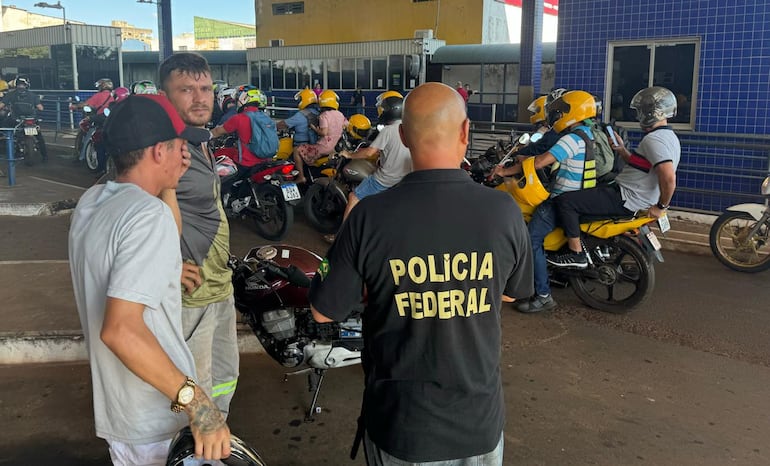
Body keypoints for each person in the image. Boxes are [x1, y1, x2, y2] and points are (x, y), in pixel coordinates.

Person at [309, 82, 534, 465]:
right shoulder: (503, 211)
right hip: (478, 424)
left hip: (402, 426)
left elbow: (323, 311)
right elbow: (513, 294)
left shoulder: (369, 216)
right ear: (465, 132)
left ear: (402, 135)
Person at [68, 93, 231, 465]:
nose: (185, 154)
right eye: (179, 147)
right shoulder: (146, 216)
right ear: (159, 151)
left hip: (123, 415)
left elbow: (144, 247)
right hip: (157, 419)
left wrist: (168, 184)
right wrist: (200, 405)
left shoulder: (93, 203)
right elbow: (121, 330)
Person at [159, 52, 240, 418]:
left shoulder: (199, 140)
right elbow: (123, 212)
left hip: (218, 284)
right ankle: (195, 449)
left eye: (205, 88)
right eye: (186, 89)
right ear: (165, 95)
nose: (200, 97)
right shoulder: (160, 147)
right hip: (191, 294)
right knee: (194, 388)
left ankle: (217, 432)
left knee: (224, 376)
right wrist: (165, 267)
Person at [550, 86, 681, 268]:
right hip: (632, 194)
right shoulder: (668, 137)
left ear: (653, 113)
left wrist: (661, 207)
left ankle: (576, 254)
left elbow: (668, 178)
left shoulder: (654, 140)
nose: (638, 116)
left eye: (641, 111)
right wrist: (621, 150)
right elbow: (642, 166)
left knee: (566, 202)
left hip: (626, 197)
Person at [493, 90, 599, 312]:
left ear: (574, 111)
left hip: (563, 198)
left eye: (563, 110)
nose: (559, 115)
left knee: (531, 240)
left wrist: (505, 171)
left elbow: (540, 162)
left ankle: (543, 295)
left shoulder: (572, 138)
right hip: (582, 196)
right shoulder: (588, 134)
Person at [293, 89, 348, 184]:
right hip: (334, 148)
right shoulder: (340, 114)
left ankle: (301, 177)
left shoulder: (324, 115)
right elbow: (346, 125)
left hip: (323, 148)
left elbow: (323, 132)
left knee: (296, 150)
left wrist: (314, 128)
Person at [0, 76, 48, 161]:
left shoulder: (11, 94)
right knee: (39, 137)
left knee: (6, 130)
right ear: (27, 85)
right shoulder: (32, 95)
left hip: (16, 120)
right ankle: (45, 156)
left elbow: (1, 105)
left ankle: (10, 149)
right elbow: (41, 108)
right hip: (31, 120)